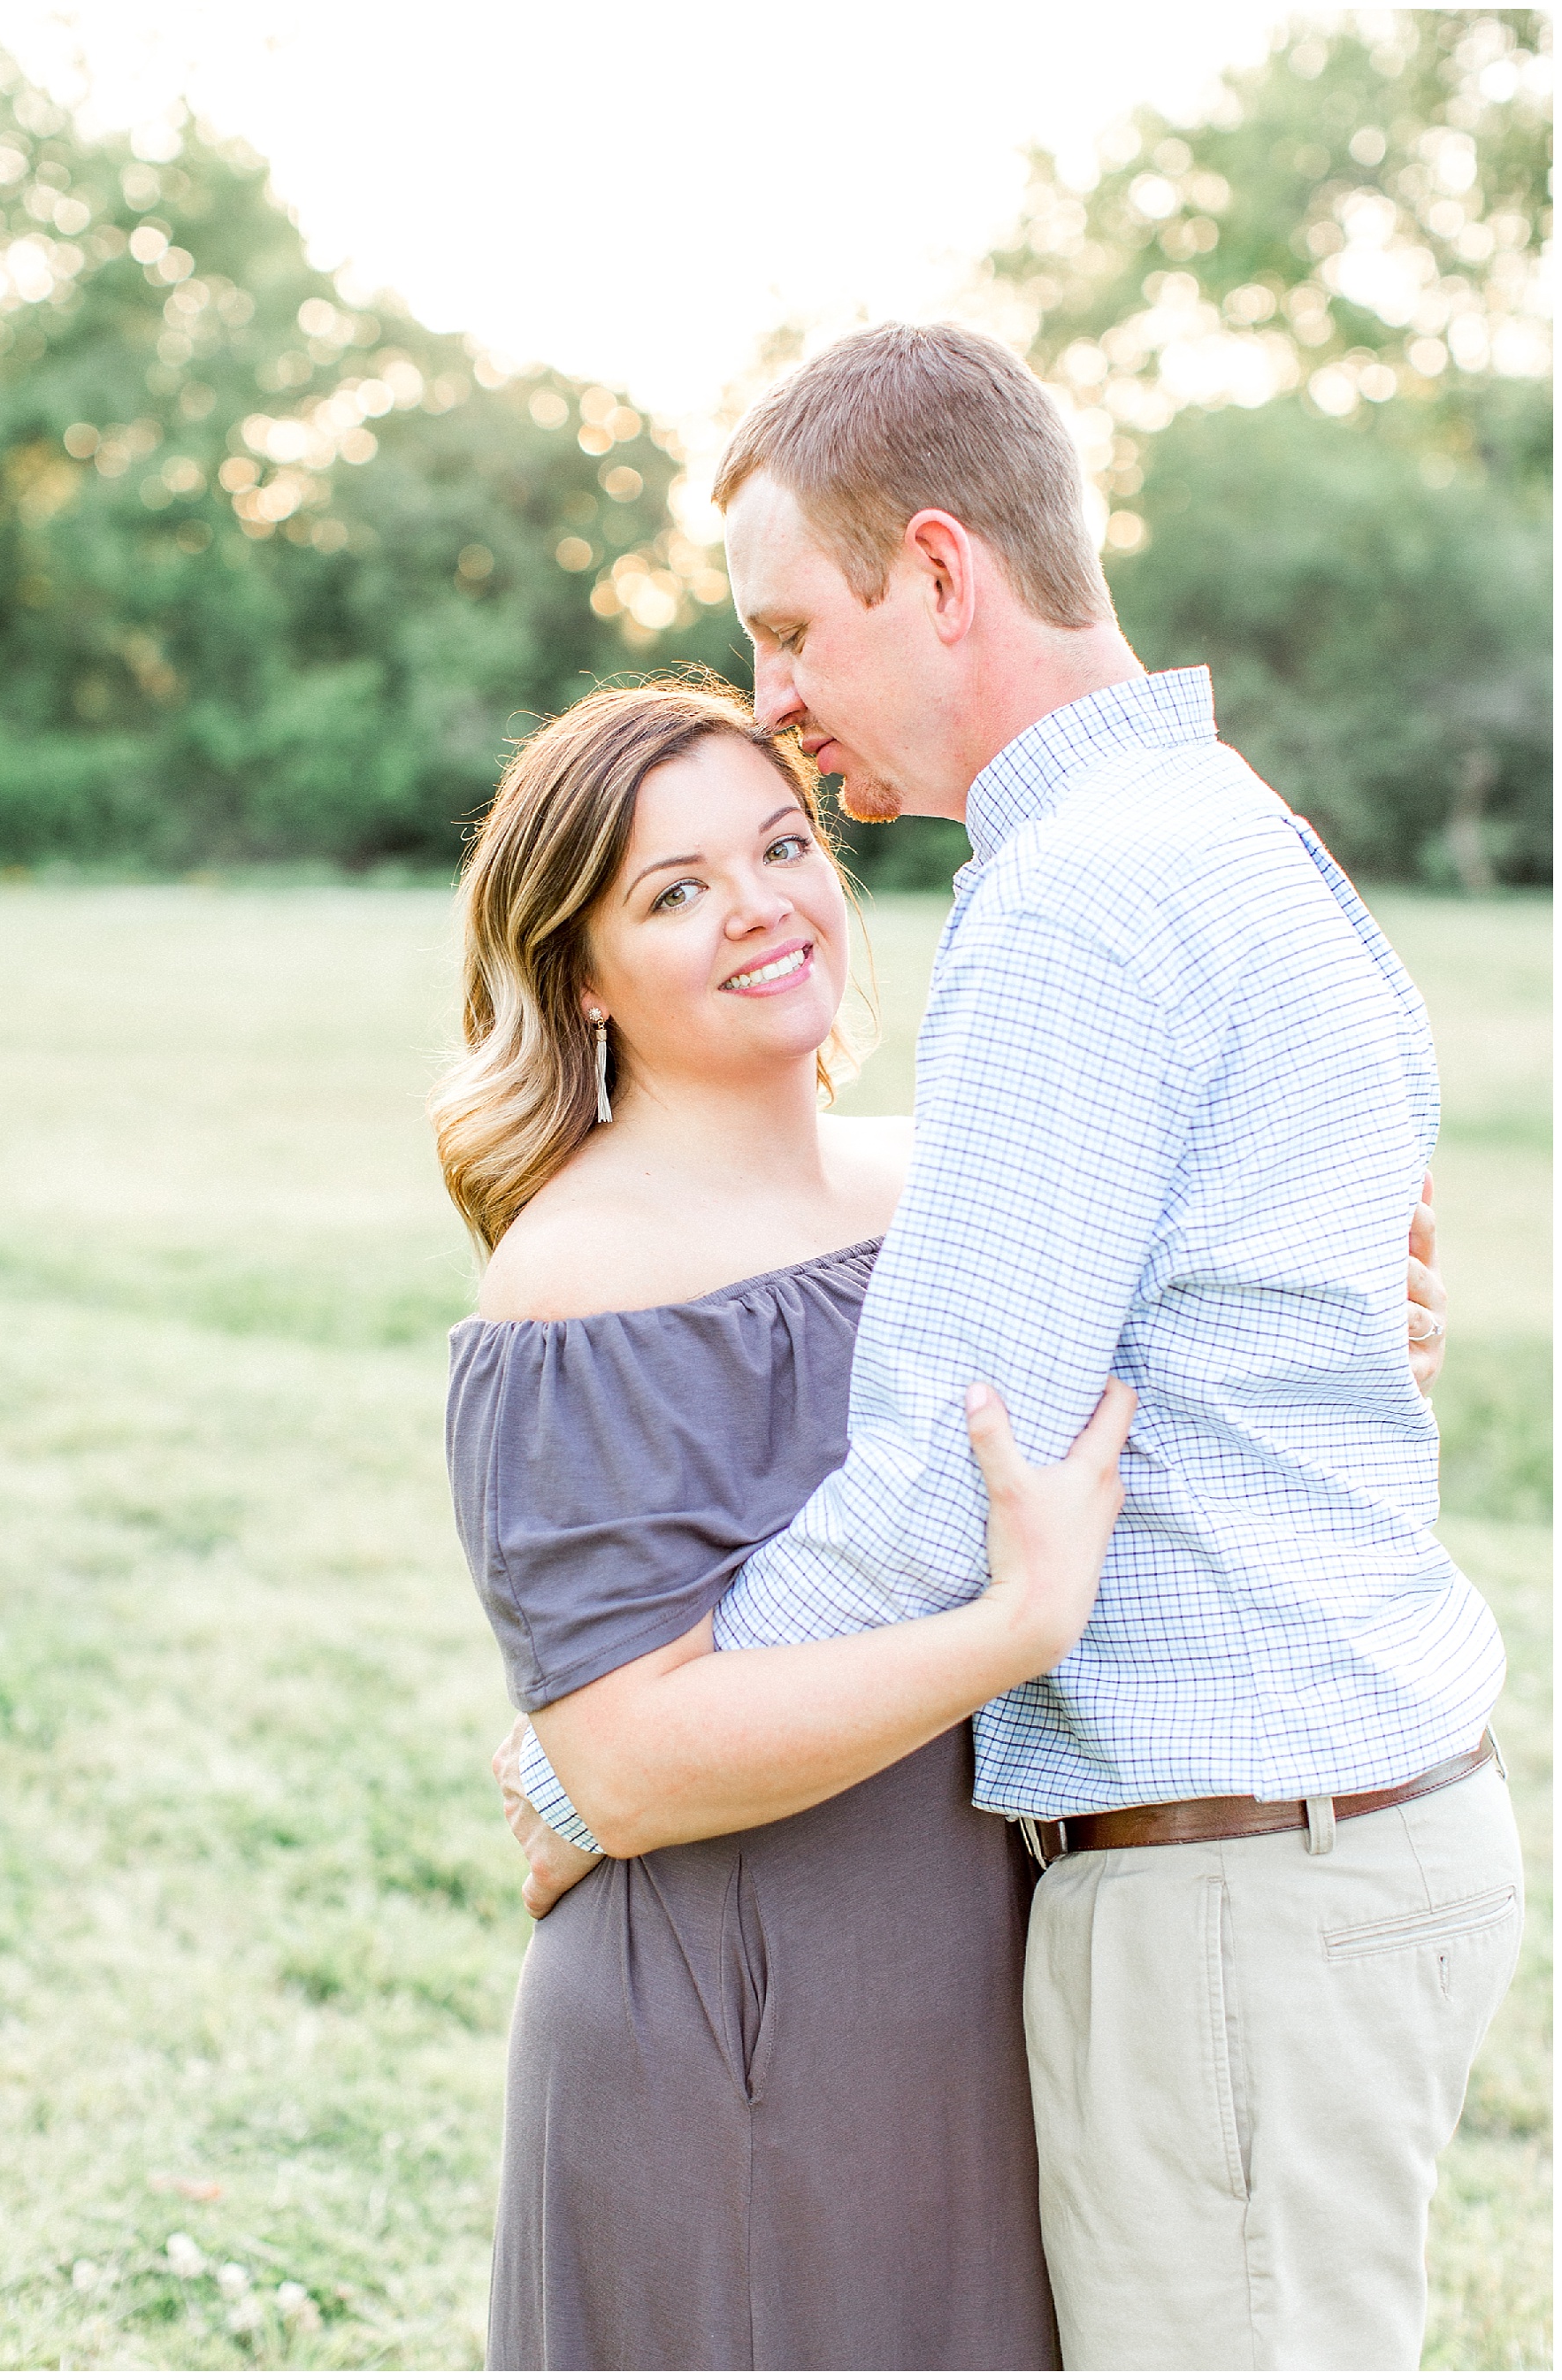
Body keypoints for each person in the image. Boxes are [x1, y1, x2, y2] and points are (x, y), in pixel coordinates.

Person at [505, 323, 1510, 2374]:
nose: (776, 707)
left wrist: (585, 1770)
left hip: (1243, 1888)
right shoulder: (1236, 823)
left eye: (792, 629)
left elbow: (947, 1477)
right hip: (1348, 1835)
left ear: (941, 573)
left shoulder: (1075, 902)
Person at [434, 679, 1135, 2371]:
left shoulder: (947, 1183)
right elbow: (619, 1762)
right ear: (578, 973)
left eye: (781, 844)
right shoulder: (577, 1281)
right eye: (672, 889)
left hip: (980, 1981)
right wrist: (1005, 1635)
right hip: (732, 2019)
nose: (760, 904)